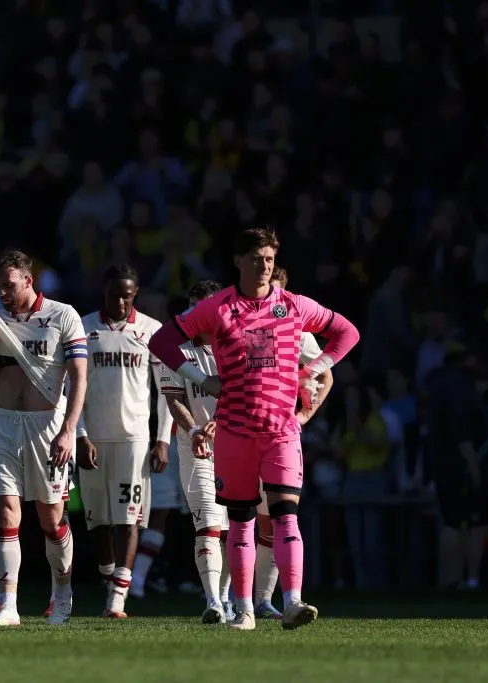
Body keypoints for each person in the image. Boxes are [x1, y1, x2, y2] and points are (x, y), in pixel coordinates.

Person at [148, 228, 360, 630]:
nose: (264, 266)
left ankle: (293, 601)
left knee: (285, 516)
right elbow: (161, 341)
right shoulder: (217, 307)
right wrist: (203, 378)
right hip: (234, 432)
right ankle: (243, 610)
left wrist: (312, 370)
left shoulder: (294, 306)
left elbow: (347, 333)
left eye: (269, 258)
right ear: (239, 261)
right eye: (257, 258)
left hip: (281, 430)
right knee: (242, 521)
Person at [0, 249, 88, 627]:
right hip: (5, 423)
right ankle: (9, 605)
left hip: (47, 426)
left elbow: (79, 377)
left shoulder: (62, 315)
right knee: (6, 510)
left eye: (8, 286)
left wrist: (69, 430)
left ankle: (62, 594)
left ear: (28, 279)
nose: (2, 294)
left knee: (51, 516)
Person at [76, 264, 173, 618]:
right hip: (93, 438)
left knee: (129, 519)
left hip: (134, 437)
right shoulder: (83, 327)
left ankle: (117, 598)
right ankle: (108, 577)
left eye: (127, 295)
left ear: (136, 294)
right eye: (115, 294)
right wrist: (80, 434)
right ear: (104, 292)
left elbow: (165, 391)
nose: (120, 301)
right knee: (97, 521)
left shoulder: (151, 330)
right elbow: (72, 388)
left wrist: (161, 439)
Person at [251, 266, 335, 618]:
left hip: (279, 437)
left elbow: (325, 375)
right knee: (234, 520)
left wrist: (302, 417)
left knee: (275, 518)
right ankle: (226, 600)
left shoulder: (298, 332)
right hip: (239, 433)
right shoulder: (243, 323)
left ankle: (268, 601)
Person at [157, 279, 234, 623]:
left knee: (237, 526)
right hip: (196, 446)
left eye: (201, 308)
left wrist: (223, 420)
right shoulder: (173, 346)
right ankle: (213, 601)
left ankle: (231, 598)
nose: (194, 315)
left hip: (237, 444)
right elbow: (174, 399)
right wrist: (193, 429)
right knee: (208, 521)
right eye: (190, 308)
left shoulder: (237, 342)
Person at [425, 344, 488, 590]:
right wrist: (472, 464)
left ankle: (451, 580)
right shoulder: (459, 386)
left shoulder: (437, 383)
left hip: (442, 464)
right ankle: (466, 580)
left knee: (452, 521)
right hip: (461, 465)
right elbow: (460, 428)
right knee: (470, 523)